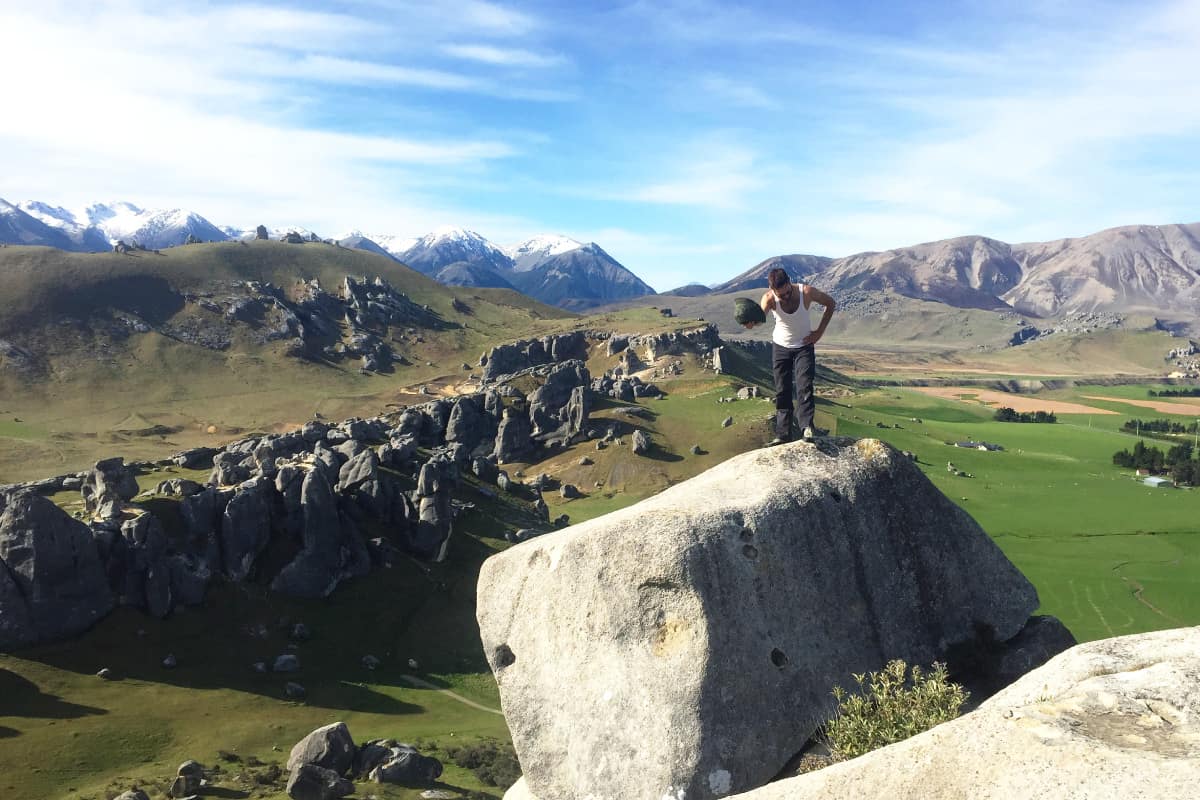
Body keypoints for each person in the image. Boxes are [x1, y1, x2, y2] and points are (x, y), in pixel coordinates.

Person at [743, 267, 836, 444]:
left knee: (804, 385)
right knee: (782, 389)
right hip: (781, 346)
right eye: (780, 295)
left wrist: (819, 332)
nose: (784, 297)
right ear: (772, 290)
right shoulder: (769, 299)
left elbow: (830, 303)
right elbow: (758, 319)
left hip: (804, 345)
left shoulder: (806, 292)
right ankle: (783, 434)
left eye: (786, 292)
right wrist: (750, 323)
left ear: (789, 282)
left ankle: (807, 428)